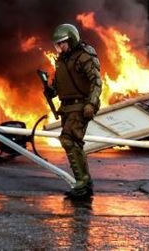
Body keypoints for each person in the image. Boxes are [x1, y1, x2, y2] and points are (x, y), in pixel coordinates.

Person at [51, 23, 101, 199]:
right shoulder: (62, 60)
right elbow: (59, 84)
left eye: (62, 43)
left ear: (71, 40)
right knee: (75, 143)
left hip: (81, 106)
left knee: (68, 140)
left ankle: (81, 184)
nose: (60, 47)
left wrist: (91, 104)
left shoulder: (84, 56)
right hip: (67, 107)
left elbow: (96, 82)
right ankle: (85, 183)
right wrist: (51, 90)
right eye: (57, 44)